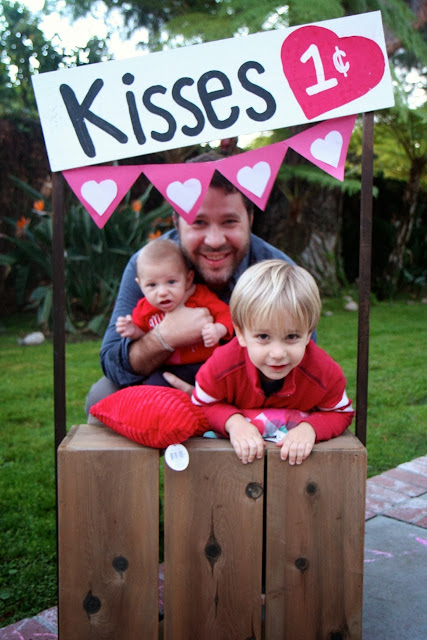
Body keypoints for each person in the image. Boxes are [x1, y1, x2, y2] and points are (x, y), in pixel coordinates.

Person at [85, 151, 297, 416]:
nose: (215, 240)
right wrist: (164, 337)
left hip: (246, 396)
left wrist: (212, 401)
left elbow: (302, 368)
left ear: (250, 220)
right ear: (176, 222)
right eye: (199, 222)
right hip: (165, 387)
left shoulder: (278, 271)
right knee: (102, 396)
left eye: (229, 222)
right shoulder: (150, 264)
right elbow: (113, 364)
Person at [192, 260, 354, 466]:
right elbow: (201, 405)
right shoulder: (221, 367)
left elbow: (341, 412)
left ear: (309, 333)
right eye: (263, 336)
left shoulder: (323, 373)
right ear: (240, 333)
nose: (278, 353)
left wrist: (310, 429)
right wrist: (235, 423)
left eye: (292, 336)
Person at [115, 238, 233, 385]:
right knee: (151, 387)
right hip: (166, 368)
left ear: (188, 279)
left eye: (171, 282)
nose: (162, 292)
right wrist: (133, 331)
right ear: (140, 285)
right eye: (152, 285)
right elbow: (143, 337)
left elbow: (226, 314)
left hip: (204, 363)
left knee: (220, 381)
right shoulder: (144, 308)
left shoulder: (200, 296)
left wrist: (218, 330)